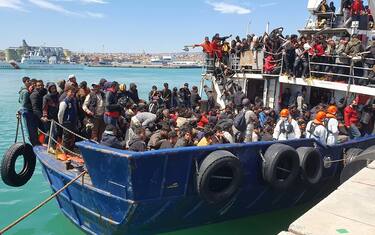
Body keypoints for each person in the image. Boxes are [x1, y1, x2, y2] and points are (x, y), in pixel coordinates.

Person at [58, 86, 78, 151]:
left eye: (73, 92)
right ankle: (65, 151)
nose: (72, 93)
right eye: (71, 92)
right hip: (66, 122)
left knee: (72, 136)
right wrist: (61, 122)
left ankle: (71, 149)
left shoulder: (74, 100)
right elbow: (60, 113)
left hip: (73, 121)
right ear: (67, 92)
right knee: (66, 137)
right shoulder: (64, 102)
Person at [42, 82, 60, 151]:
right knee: (50, 131)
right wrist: (45, 116)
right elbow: (44, 107)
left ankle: (53, 145)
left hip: (57, 116)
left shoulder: (58, 95)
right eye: (52, 88)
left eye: (54, 88)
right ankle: (49, 145)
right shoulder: (46, 97)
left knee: (56, 131)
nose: (54, 89)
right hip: (50, 117)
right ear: (49, 89)